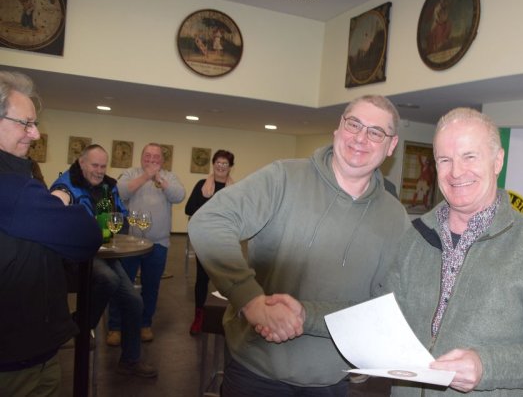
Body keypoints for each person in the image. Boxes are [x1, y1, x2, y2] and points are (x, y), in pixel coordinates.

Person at [188, 94, 410, 397]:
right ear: (338, 128)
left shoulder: (395, 218)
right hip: (257, 370)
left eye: (376, 132)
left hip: (331, 380)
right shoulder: (283, 178)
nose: (360, 138)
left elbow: (382, 307)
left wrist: (307, 316)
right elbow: (209, 221)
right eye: (354, 124)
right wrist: (250, 300)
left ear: (391, 145)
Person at [379, 108, 523, 396]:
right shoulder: (414, 238)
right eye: (445, 160)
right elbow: (388, 319)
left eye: (469, 156)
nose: (456, 172)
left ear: (497, 161)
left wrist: (487, 366)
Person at [0, 71, 102, 396]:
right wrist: (63, 201)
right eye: (25, 123)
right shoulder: (16, 188)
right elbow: (87, 235)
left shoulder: (20, 182)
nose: (35, 133)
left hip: (32, 346)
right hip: (15, 358)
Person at [50, 144, 158, 378]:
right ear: (81, 163)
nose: (99, 171)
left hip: (104, 253)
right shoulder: (66, 185)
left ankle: (130, 360)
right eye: (95, 165)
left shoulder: (109, 186)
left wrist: (116, 229)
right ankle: (81, 326)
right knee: (108, 279)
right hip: (77, 256)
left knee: (134, 302)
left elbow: (121, 217)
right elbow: (56, 219)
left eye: (103, 166)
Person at [112, 143, 185, 341]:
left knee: (151, 287)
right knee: (122, 284)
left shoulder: (169, 176)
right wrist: (146, 176)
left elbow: (179, 196)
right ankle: (115, 326)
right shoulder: (131, 173)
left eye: (156, 157)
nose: (151, 160)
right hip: (130, 243)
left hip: (158, 243)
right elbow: (120, 192)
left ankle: (144, 324)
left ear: (162, 160)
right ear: (141, 157)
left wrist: (159, 179)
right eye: (148, 156)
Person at [184, 149, 235, 335]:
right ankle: (199, 316)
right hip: (204, 238)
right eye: (218, 163)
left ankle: (226, 318)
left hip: (225, 239)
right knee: (202, 278)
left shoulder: (235, 189)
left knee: (226, 280)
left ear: (230, 167)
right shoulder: (202, 185)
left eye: (225, 164)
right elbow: (189, 208)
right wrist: (209, 209)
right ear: (213, 164)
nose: (221, 166)